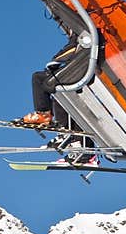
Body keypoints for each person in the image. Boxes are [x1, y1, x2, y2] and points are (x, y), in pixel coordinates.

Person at [18, 28, 99, 167]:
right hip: (78, 72)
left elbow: (72, 49)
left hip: (81, 72)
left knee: (46, 83)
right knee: (55, 90)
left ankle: (49, 119)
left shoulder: (82, 30)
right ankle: (60, 128)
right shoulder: (80, 30)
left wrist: (56, 61)